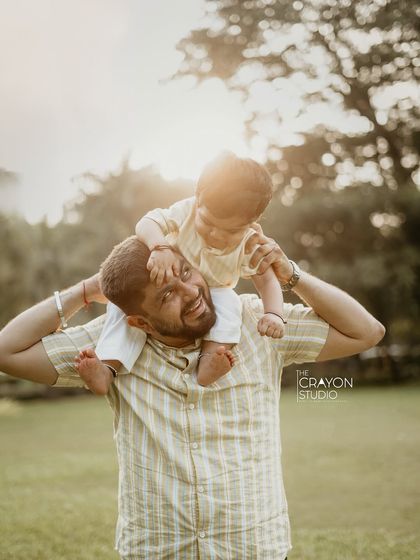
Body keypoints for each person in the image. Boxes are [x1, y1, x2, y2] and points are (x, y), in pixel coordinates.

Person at [0, 232, 385, 560]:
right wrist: (85, 291)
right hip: (156, 549)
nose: (191, 292)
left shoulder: (257, 323)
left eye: (186, 271)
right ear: (139, 320)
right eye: (168, 293)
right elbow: (7, 351)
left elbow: (366, 332)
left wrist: (292, 276)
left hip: (253, 547)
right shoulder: (109, 345)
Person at [88, 152, 286, 391]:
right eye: (209, 223)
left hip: (214, 292)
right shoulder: (185, 212)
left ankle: (209, 362)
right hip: (168, 276)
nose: (216, 235)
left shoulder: (250, 242)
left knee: (231, 306)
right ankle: (107, 367)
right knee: (122, 309)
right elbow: (147, 223)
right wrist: (158, 246)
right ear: (198, 199)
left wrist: (274, 313)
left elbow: (266, 279)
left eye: (231, 231)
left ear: (253, 221)